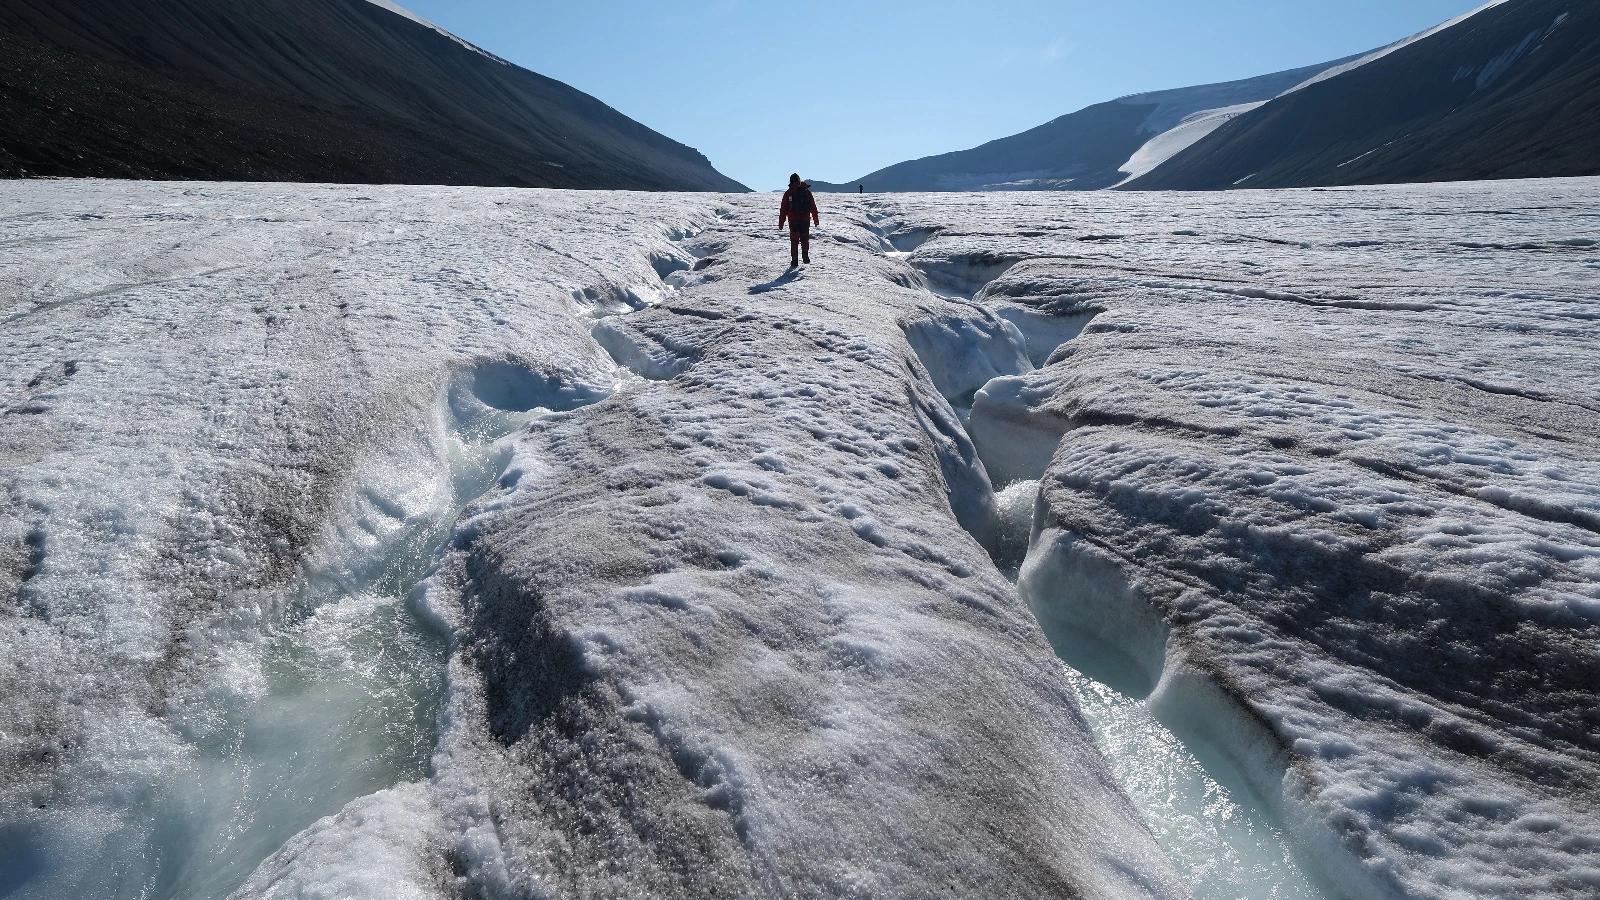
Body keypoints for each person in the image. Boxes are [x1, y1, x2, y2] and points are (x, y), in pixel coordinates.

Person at [778, 173, 820, 267]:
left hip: (793, 220)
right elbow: (813, 206)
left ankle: (794, 260)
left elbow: (783, 209)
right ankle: (805, 255)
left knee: (794, 240)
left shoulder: (789, 192)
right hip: (805, 219)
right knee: (805, 238)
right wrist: (815, 220)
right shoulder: (806, 191)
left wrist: (781, 223)